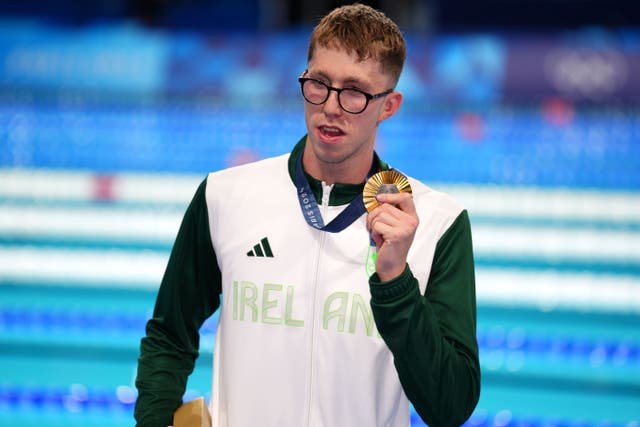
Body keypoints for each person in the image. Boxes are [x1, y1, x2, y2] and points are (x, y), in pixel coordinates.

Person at [134, 4, 480, 427]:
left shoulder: (438, 223)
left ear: (388, 106)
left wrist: (396, 282)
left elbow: (450, 408)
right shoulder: (225, 196)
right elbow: (170, 336)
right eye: (319, 83)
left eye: (354, 91)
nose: (331, 107)